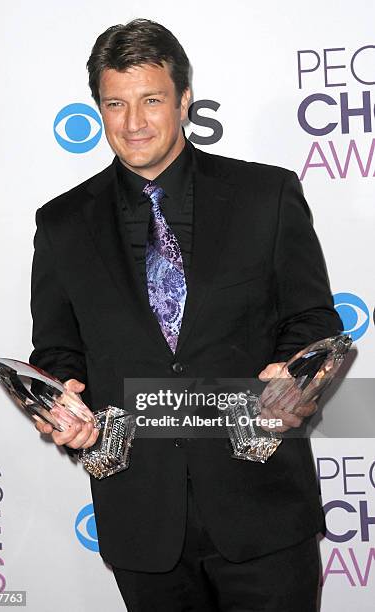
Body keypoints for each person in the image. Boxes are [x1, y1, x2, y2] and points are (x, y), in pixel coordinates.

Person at [29, 18, 342, 611]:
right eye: (115, 104)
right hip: (140, 519)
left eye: (151, 100)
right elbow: (58, 352)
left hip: (263, 513)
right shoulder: (62, 223)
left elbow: (312, 319)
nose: (133, 123)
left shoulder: (266, 197)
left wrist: (289, 373)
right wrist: (63, 405)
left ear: (184, 101)